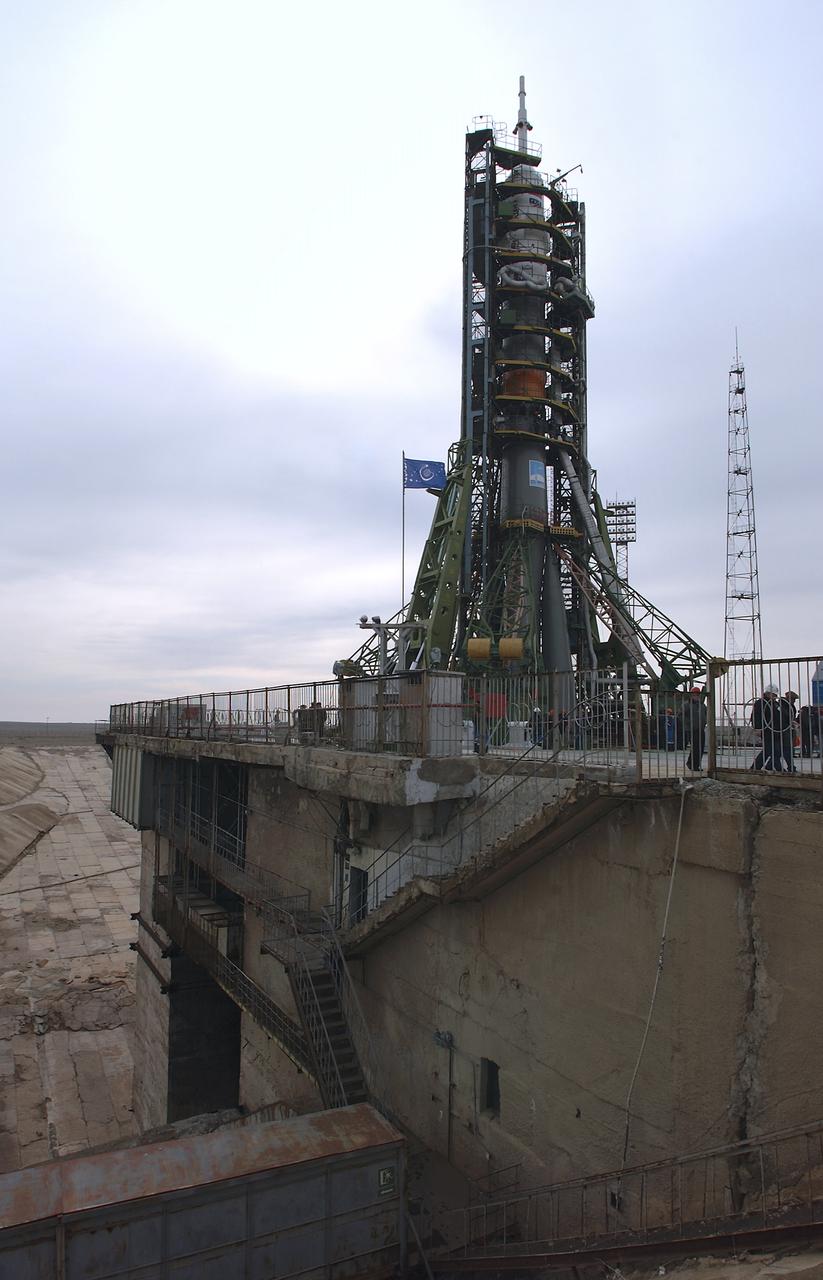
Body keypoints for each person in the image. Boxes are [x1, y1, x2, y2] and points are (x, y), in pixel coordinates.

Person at [751, 686, 781, 771]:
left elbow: (779, 716)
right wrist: (758, 728)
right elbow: (756, 716)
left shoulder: (775, 703)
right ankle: (755, 768)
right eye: (774, 695)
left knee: (776, 750)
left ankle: (769, 766)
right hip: (766, 729)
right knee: (768, 750)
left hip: (776, 730)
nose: (775, 697)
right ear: (768, 693)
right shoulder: (761, 703)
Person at [682, 686, 707, 773]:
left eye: (697, 694)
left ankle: (692, 763)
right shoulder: (686, 705)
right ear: (691, 695)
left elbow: (706, 714)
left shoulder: (702, 705)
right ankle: (693, 765)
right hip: (691, 729)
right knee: (695, 747)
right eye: (694, 694)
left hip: (700, 729)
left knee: (700, 747)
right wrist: (688, 724)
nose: (696, 695)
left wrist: (704, 722)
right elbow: (681, 715)